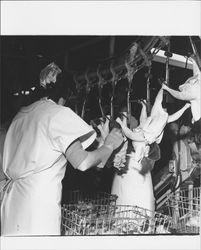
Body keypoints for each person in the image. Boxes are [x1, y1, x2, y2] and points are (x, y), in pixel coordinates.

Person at [0, 62, 124, 236]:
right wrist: (109, 144)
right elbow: (83, 162)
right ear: (66, 95)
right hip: (38, 207)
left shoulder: (21, 115)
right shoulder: (57, 113)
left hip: (12, 204)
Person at [116, 87, 191, 145]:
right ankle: (163, 88)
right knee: (157, 104)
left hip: (154, 131)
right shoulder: (138, 137)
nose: (135, 129)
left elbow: (142, 120)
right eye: (135, 130)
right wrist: (120, 122)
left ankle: (185, 106)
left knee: (167, 116)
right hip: (153, 129)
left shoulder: (142, 132)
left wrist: (144, 107)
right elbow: (129, 133)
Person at [162, 57, 201, 128]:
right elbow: (178, 95)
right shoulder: (196, 117)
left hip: (196, 95)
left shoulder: (192, 93)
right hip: (195, 97)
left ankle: (193, 61)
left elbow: (178, 95)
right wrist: (167, 88)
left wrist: (193, 62)